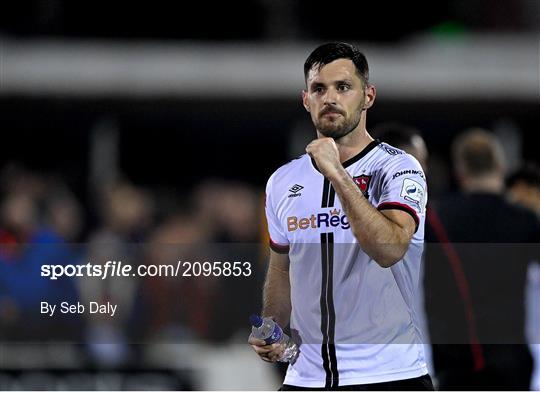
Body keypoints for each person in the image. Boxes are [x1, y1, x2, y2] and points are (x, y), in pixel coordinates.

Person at [248, 42, 432, 390]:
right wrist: (272, 327)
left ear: (368, 97)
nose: (329, 97)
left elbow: (390, 249)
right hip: (307, 378)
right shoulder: (283, 182)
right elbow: (281, 267)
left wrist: (336, 173)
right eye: (319, 88)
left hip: (389, 376)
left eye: (343, 87)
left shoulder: (398, 168)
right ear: (306, 100)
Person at [424, 129, 540, 390]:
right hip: (510, 360)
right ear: (500, 167)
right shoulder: (524, 220)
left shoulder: (435, 219)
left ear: (459, 172)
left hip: (456, 362)